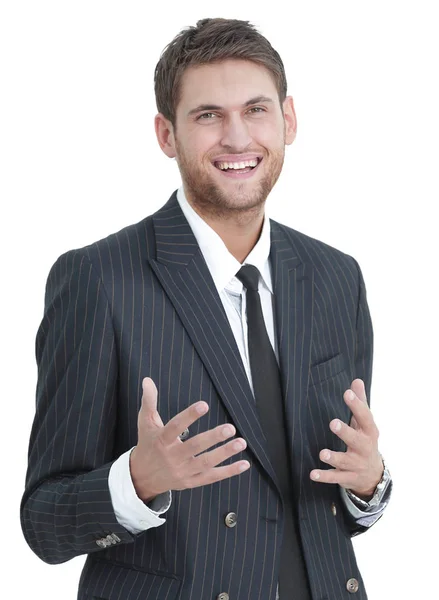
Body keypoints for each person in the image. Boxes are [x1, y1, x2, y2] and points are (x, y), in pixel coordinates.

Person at [20, 17, 392, 600]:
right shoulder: (97, 279)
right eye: (208, 115)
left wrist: (370, 484)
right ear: (167, 135)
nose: (238, 138)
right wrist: (137, 482)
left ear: (288, 120)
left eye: (256, 110)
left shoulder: (335, 277)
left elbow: (333, 503)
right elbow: (43, 523)